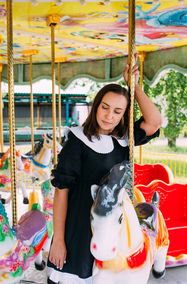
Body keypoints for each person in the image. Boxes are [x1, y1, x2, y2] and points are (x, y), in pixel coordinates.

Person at [47, 53, 162, 284]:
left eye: (117, 111)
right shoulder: (77, 141)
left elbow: (154, 121)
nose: (109, 116)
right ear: (96, 105)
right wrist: (58, 239)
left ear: (123, 115)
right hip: (79, 225)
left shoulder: (124, 138)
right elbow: (62, 191)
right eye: (105, 107)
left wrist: (135, 87)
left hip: (113, 228)